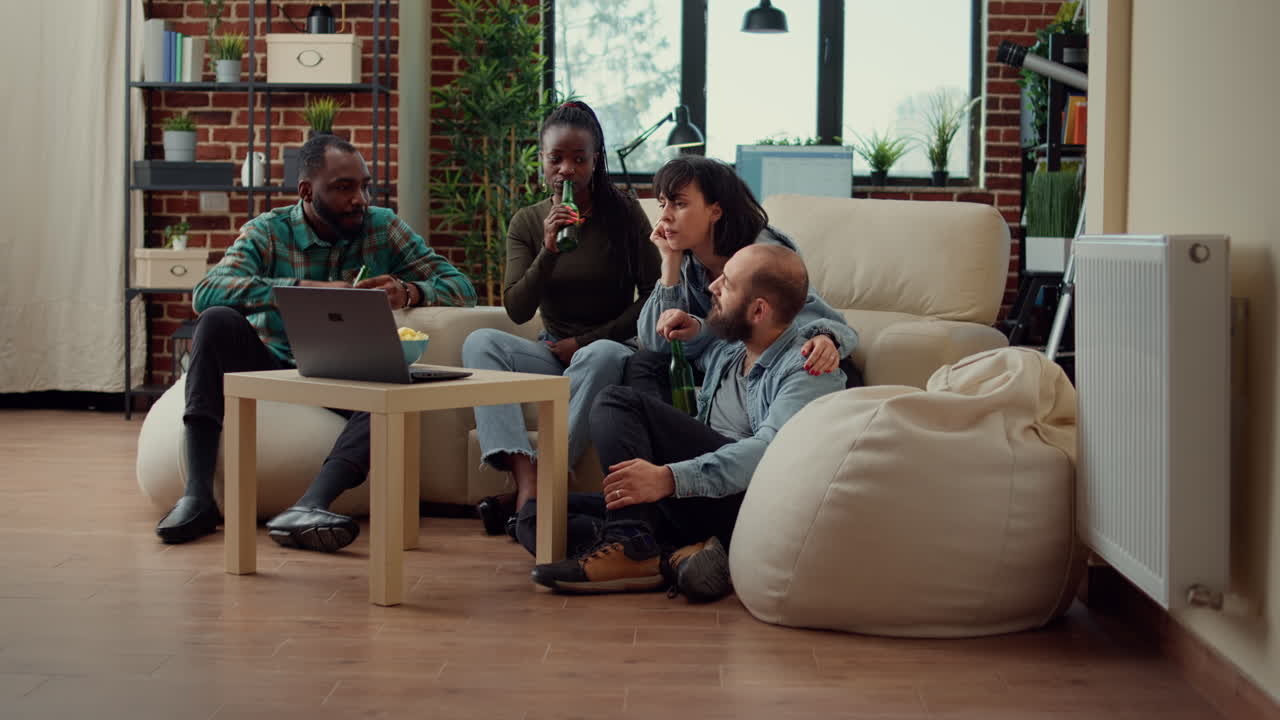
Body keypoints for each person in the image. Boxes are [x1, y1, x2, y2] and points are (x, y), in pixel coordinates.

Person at [154, 134, 477, 551]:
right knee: (216, 320)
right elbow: (207, 292)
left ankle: (310, 505)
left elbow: (462, 287)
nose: (360, 199)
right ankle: (198, 497)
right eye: (344, 188)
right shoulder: (269, 231)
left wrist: (409, 291)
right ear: (307, 191)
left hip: (351, 373)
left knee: (396, 388)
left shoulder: (382, 226)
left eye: (364, 186)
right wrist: (298, 289)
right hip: (274, 363)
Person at [531, 244, 845, 600]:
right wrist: (679, 293)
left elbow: (769, 454)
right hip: (696, 498)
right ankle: (670, 557)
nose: (712, 287)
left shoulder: (808, 369)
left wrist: (669, 478)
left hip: (746, 501)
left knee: (616, 401)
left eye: (727, 284)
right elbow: (656, 344)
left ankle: (633, 544)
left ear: (759, 310)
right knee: (535, 516)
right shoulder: (731, 350)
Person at [461, 101, 660, 538]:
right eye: (556, 159)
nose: (567, 169)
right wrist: (549, 250)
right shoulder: (528, 222)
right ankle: (528, 479)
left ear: (595, 160)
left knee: (601, 353)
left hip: (607, 353)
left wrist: (585, 342)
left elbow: (653, 296)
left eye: (579, 159)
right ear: (542, 160)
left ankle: (547, 480)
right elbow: (517, 309)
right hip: (551, 353)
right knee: (480, 343)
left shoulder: (623, 213)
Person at [627, 155, 862, 401]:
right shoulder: (687, 257)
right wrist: (670, 264)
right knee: (644, 363)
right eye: (662, 204)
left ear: (715, 210)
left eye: (679, 204)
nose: (664, 216)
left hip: (784, 364)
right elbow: (654, 343)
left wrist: (827, 336)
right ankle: (667, 424)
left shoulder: (762, 253)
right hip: (725, 361)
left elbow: (801, 323)